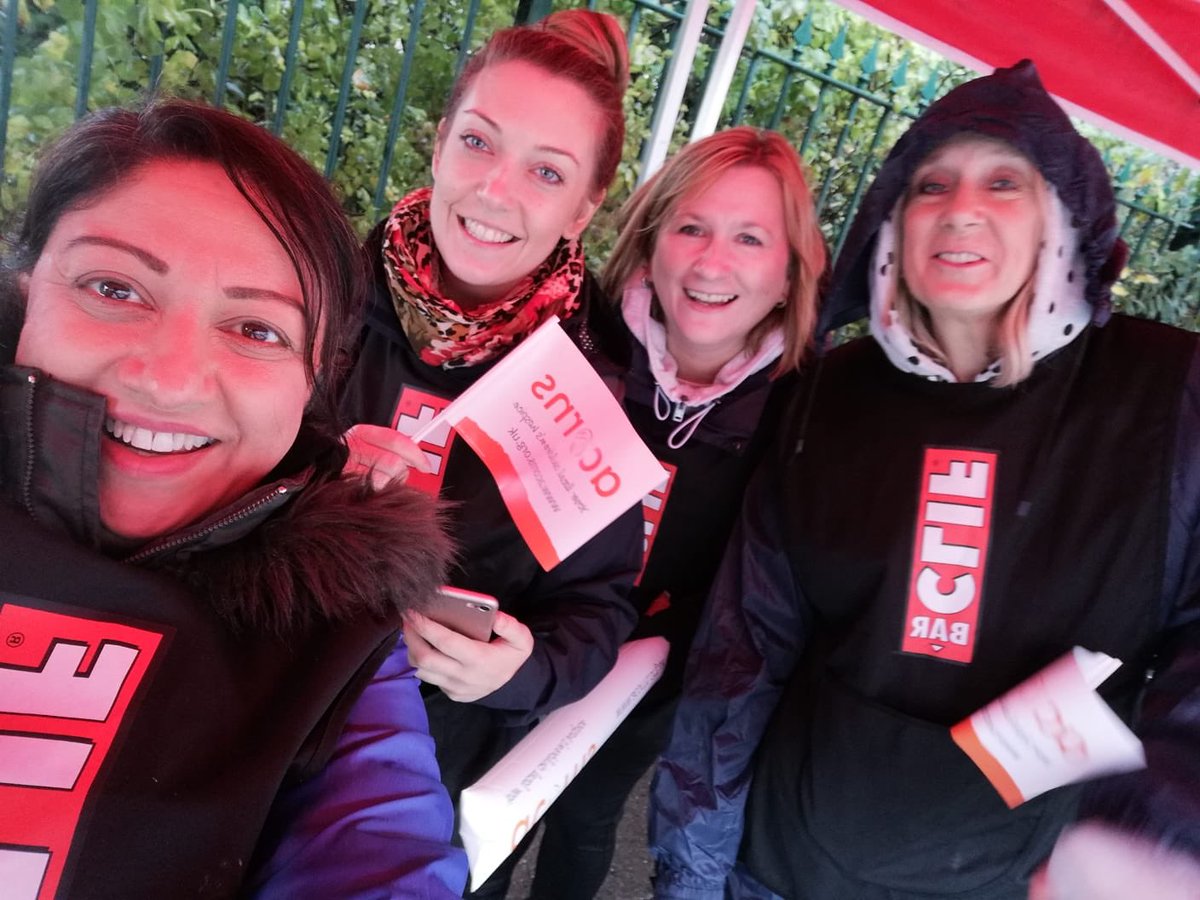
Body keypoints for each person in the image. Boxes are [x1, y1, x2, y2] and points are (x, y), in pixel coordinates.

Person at [649, 60, 1200, 900]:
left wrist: (1150, 834)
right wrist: (693, 866)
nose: (962, 208)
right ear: (895, 225)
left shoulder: (1170, 395)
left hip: (1016, 881)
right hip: (782, 868)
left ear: (1064, 211)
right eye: (931, 184)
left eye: (1005, 181)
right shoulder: (832, 392)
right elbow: (746, 649)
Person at [0, 98, 466, 898]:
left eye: (256, 330)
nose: (169, 379)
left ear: (312, 389)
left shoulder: (331, 643)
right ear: (24, 291)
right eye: (114, 287)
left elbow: (381, 852)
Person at [337, 9, 643, 895]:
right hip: (250, 712)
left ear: (584, 206)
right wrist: (309, 485)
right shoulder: (311, 297)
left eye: (546, 171)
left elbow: (599, 608)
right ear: (439, 142)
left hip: (430, 773)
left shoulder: (589, 389)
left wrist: (524, 671)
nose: (497, 191)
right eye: (479, 141)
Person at [526, 126, 826, 899]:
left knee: (586, 811)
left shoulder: (809, 410)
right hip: (528, 635)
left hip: (658, 670)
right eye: (690, 227)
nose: (711, 262)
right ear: (651, 241)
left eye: (750, 238)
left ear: (792, 273)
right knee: (479, 803)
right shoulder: (574, 337)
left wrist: (663, 647)